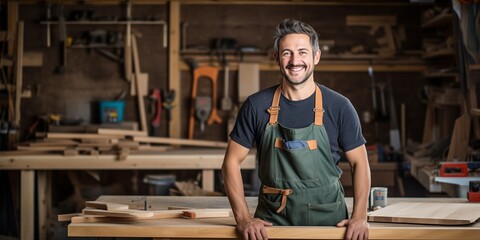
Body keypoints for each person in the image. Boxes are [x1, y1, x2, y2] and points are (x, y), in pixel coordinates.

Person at [221, 18, 371, 240]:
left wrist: (360, 216)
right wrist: (243, 218)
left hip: (330, 223)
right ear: (276, 59)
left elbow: (360, 163)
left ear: (316, 57)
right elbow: (230, 163)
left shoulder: (339, 106)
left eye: (302, 52)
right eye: (286, 53)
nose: (295, 60)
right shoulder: (257, 105)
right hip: (272, 223)